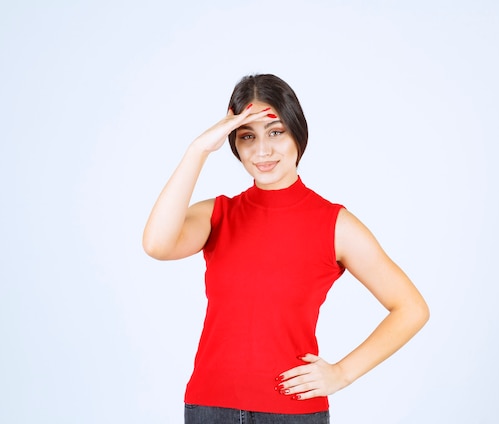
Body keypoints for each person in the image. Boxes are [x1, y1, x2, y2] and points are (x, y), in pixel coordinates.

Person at [142, 74, 430, 424]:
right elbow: (157, 244)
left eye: (276, 132)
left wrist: (342, 373)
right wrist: (198, 149)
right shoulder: (217, 214)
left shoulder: (335, 224)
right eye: (247, 137)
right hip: (208, 408)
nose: (262, 151)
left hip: (291, 413)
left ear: (297, 133)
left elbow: (411, 308)